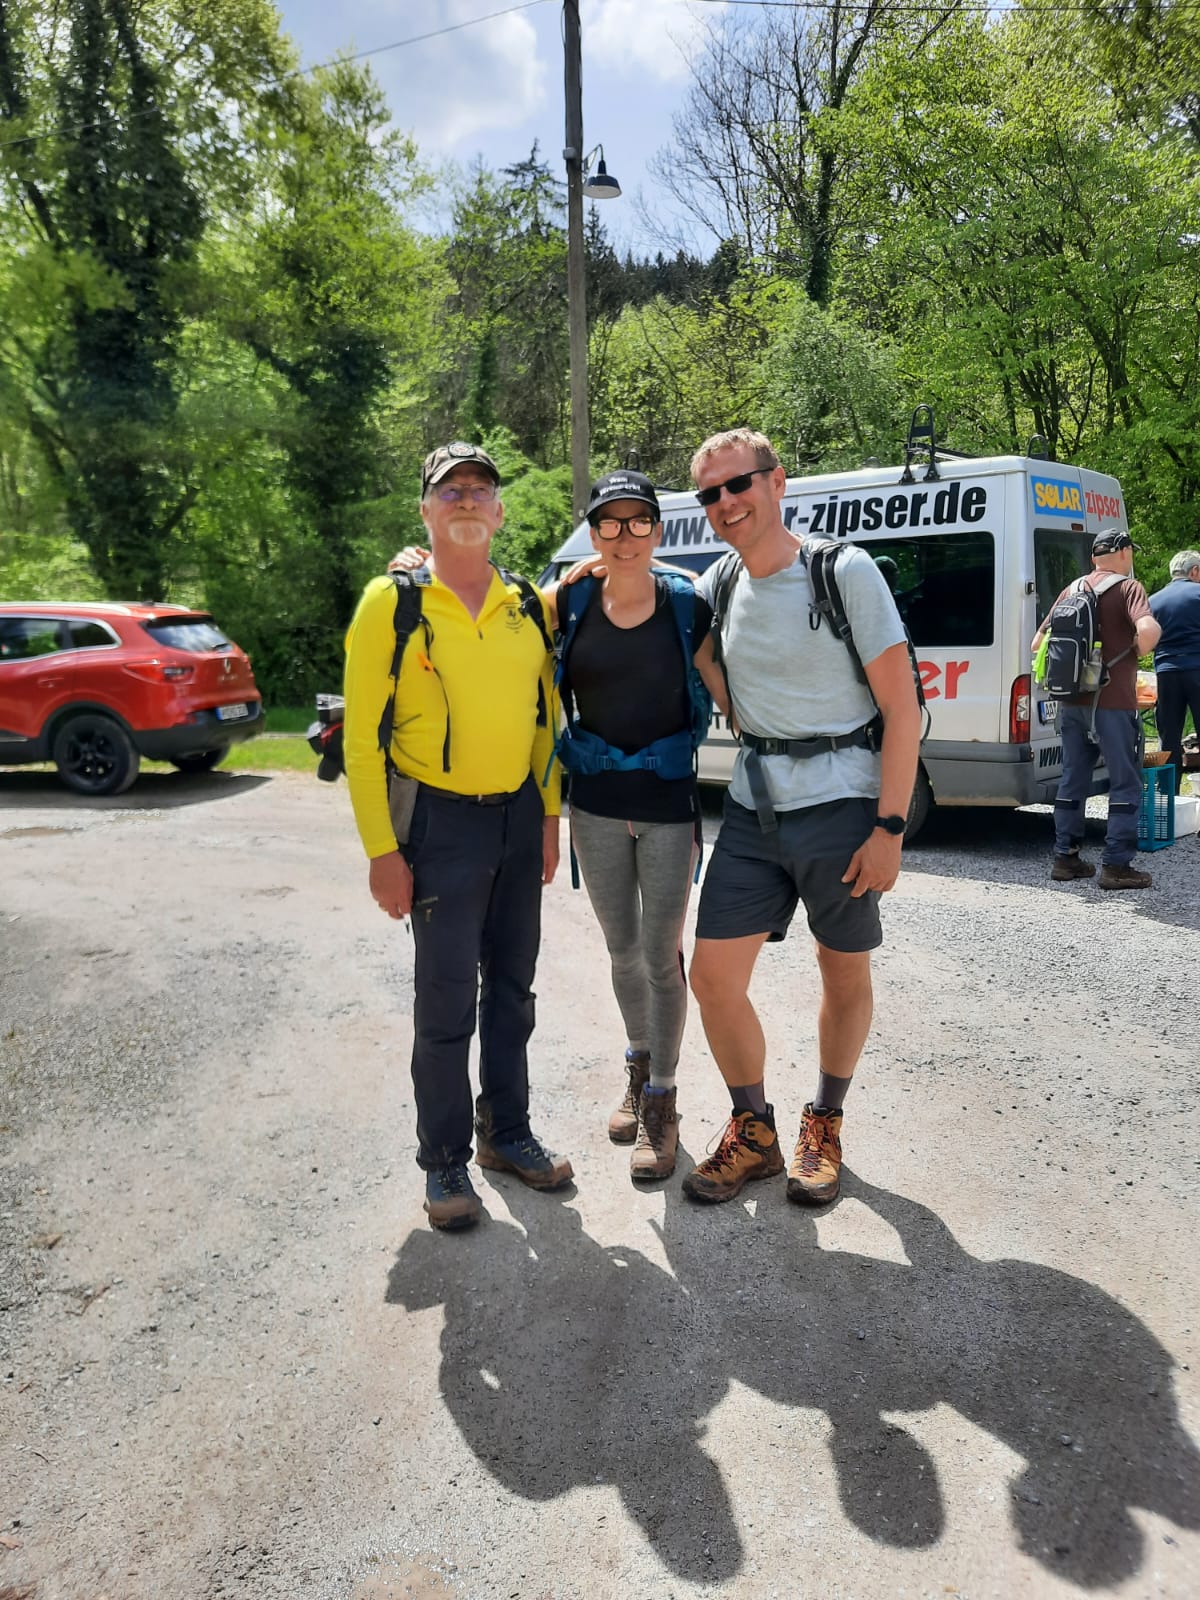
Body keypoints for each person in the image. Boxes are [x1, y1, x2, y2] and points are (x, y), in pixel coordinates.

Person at [679, 428, 922, 1209]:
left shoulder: (839, 571)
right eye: (709, 493)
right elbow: (685, 640)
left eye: (737, 484)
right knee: (712, 978)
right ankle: (755, 1130)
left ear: (777, 481)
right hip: (754, 812)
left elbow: (901, 706)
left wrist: (889, 828)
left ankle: (826, 1121)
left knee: (841, 968)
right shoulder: (719, 582)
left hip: (845, 807)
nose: (725, 503)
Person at [343, 442, 572, 1233]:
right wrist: (382, 851)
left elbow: (546, 722)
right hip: (438, 825)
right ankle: (443, 1161)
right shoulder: (392, 603)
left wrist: (547, 819)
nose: (468, 499)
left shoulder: (528, 604)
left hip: (515, 819)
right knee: (444, 1006)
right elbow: (362, 742)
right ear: (427, 512)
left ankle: (505, 1133)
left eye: (482, 489)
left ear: (501, 511)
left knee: (513, 993)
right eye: (451, 491)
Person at [555, 469, 724, 1183]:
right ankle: (637, 1061)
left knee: (662, 957)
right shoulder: (566, 601)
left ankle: (663, 1101)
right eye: (610, 524)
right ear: (592, 533)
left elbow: (734, 692)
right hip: (593, 805)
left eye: (638, 522)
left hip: (665, 807)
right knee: (621, 951)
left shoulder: (687, 606)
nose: (624, 537)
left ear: (659, 529)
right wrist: (417, 567)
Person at [1032, 529, 1161, 890]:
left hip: (1071, 703)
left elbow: (1037, 642)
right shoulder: (1128, 588)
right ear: (1121, 553)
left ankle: (1066, 859)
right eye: (1129, 551)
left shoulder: (1071, 590)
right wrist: (1139, 647)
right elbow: (1148, 631)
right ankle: (1116, 866)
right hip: (1114, 703)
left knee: (1073, 779)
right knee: (1125, 783)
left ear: (1093, 558)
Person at [1149, 549, 1200, 796]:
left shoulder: (1153, 600)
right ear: (1195, 571)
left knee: (1168, 738)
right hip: (1197, 669)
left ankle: (1167, 802)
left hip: (1166, 673)